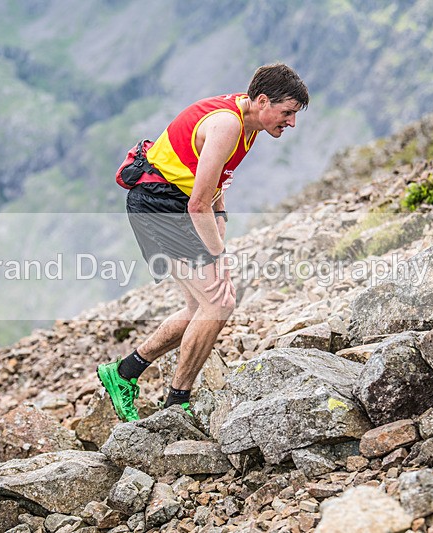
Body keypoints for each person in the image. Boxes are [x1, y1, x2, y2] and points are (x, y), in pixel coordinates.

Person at [98, 63, 309, 422]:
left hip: (175, 203)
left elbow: (212, 185)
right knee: (219, 303)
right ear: (262, 100)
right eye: (287, 113)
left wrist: (221, 223)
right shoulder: (227, 124)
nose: (291, 123)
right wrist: (219, 255)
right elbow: (198, 204)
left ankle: (124, 373)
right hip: (158, 203)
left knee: (201, 307)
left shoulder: (250, 123)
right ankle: (176, 405)